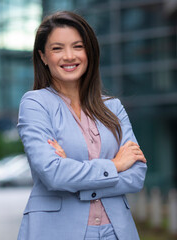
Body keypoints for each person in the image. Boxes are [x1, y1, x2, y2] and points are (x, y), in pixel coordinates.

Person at [17, 11, 147, 240]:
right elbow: (53, 174)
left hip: (117, 231)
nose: (69, 56)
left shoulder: (113, 107)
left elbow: (136, 176)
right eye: (57, 48)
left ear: (89, 52)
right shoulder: (35, 104)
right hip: (56, 230)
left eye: (77, 46)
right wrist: (115, 164)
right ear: (43, 57)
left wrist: (74, 175)